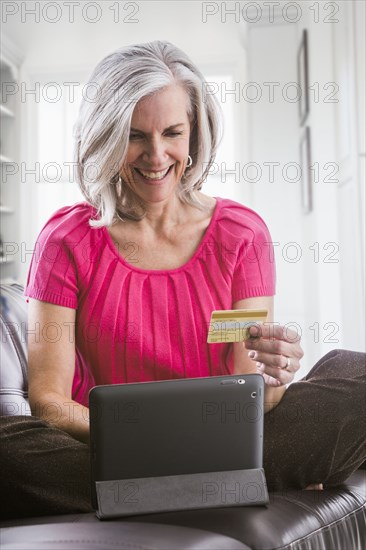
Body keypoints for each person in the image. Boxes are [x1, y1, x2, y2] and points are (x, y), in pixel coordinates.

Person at [1, 40, 365, 519]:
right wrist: (150, 439)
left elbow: (249, 386)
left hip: (212, 443)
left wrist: (273, 377)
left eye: (172, 132)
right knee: (10, 447)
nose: (156, 155)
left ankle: (161, 489)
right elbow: (49, 402)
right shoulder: (66, 239)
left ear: (195, 134)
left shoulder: (241, 234)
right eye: (134, 135)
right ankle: (233, 482)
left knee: (355, 377)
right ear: (105, 136)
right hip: (112, 447)